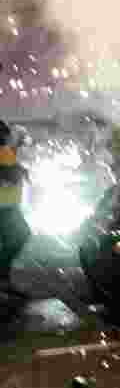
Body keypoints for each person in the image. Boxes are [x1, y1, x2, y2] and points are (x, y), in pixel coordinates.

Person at [0, 120, 30, 293]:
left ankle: (4, 281)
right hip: (6, 208)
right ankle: (3, 279)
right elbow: (9, 176)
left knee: (11, 240)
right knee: (21, 236)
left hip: (7, 206)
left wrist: (19, 169)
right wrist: (19, 172)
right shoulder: (3, 152)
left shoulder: (6, 152)